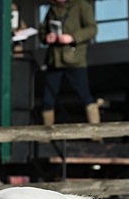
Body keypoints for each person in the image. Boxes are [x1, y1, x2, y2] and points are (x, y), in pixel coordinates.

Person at [38, 0, 99, 128]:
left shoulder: (81, 5)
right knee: (47, 99)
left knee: (85, 96)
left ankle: (96, 132)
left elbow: (92, 29)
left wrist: (72, 37)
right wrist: (46, 37)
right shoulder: (52, 9)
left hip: (75, 59)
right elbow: (43, 31)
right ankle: (47, 134)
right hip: (54, 60)